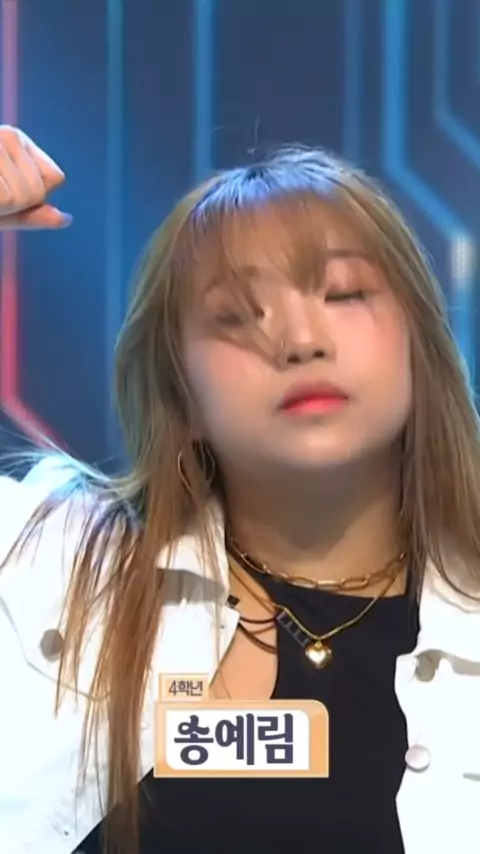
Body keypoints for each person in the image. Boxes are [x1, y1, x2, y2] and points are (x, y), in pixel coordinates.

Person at [0, 124, 479, 854]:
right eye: (235, 315)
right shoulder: (49, 568)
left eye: (344, 293)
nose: (300, 340)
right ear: (181, 396)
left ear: (419, 346)